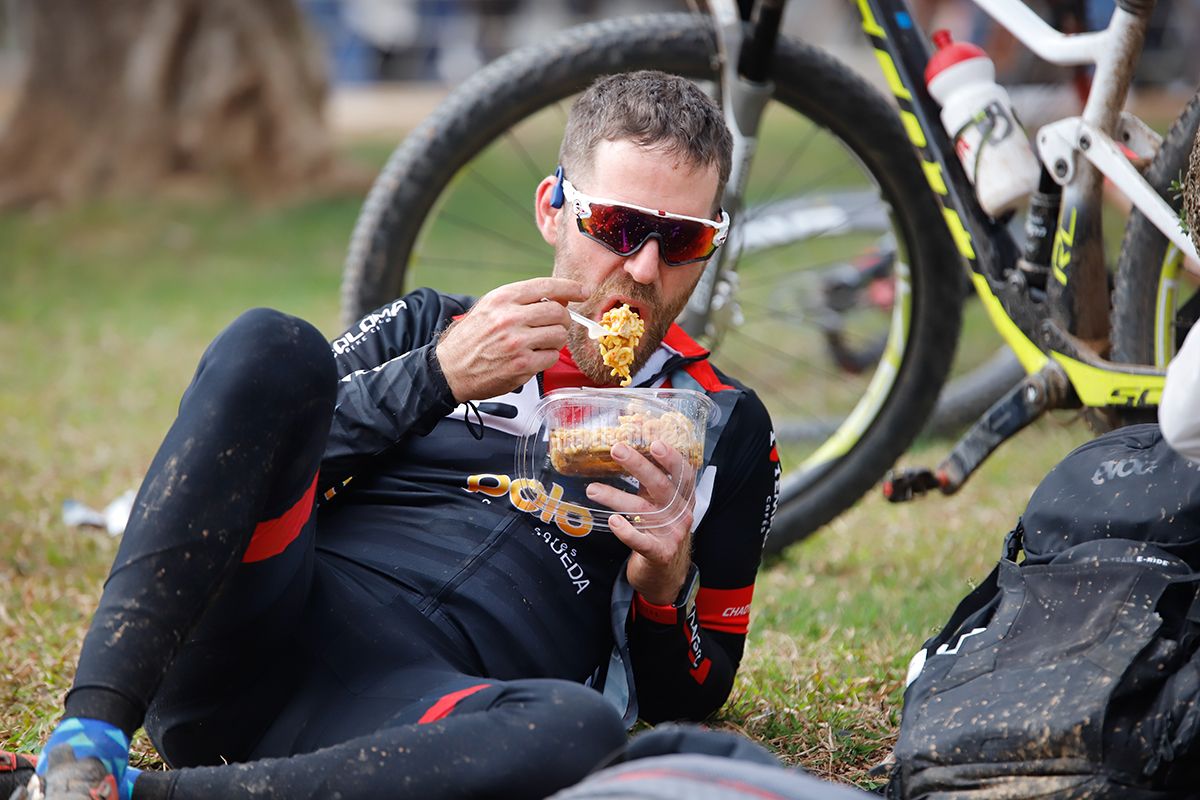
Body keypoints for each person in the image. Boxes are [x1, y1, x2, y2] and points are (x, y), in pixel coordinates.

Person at [9, 70, 780, 800]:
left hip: (412, 713)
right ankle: (89, 739)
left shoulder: (727, 426)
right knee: (272, 343)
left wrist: (663, 584)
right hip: (258, 630)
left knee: (577, 731)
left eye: (680, 241)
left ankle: (119, 793)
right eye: (617, 226)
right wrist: (438, 375)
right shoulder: (433, 326)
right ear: (553, 209)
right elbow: (240, 456)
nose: (644, 269)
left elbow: (694, 692)